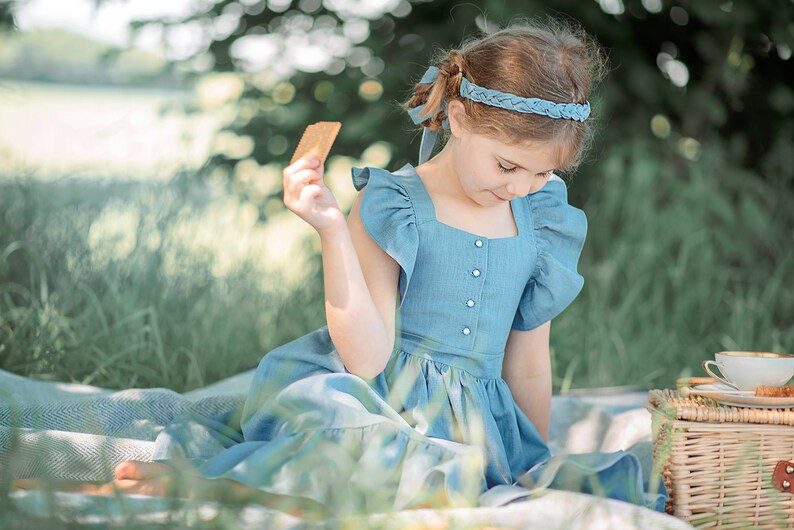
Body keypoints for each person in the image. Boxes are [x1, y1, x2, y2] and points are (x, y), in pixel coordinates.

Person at [14, 18, 667, 517]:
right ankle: (219, 488)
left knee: (457, 480)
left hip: (475, 431)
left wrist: (534, 457)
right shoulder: (397, 204)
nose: (523, 186)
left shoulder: (541, 216)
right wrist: (332, 230)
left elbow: (527, 358)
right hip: (377, 400)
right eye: (508, 166)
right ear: (461, 118)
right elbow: (366, 358)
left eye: (543, 172)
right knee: (355, 443)